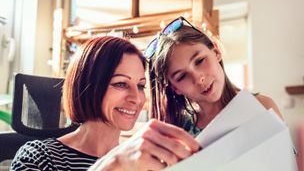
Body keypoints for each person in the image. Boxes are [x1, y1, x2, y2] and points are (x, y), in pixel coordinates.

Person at [11, 36, 200, 171]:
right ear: (88, 86)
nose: (136, 98)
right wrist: (112, 165)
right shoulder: (39, 157)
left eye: (141, 86)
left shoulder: (143, 162)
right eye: (120, 83)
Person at [145, 16, 283, 137]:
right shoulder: (178, 130)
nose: (199, 79)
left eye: (199, 61)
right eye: (182, 76)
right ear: (175, 88)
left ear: (216, 52)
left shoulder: (261, 106)